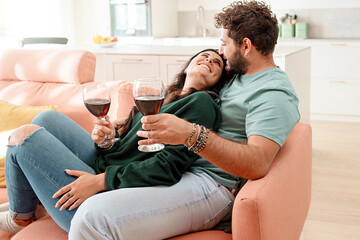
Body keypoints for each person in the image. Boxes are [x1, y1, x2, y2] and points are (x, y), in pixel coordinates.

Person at [0, 49, 238, 239]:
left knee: (24, 138)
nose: (209, 60)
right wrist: (108, 141)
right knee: (45, 119)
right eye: (204, 56)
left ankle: (20, 217)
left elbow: (168, 166)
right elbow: (127, 149)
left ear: (219, 80)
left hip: (110, 191)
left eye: (217, 63)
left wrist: (99, 182)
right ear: (187, 65)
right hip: (104, 165)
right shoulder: (161, 97)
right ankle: (35, 204)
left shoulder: (202, 103)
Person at [137, 1, 300, 199]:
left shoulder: (273, 92)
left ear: (246, 46)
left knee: (94, 216)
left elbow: (258, 163)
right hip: (180, 168)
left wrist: (191, 134)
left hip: (210, 182)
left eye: (224, 44)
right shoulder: (238, 73)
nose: (220, 52)